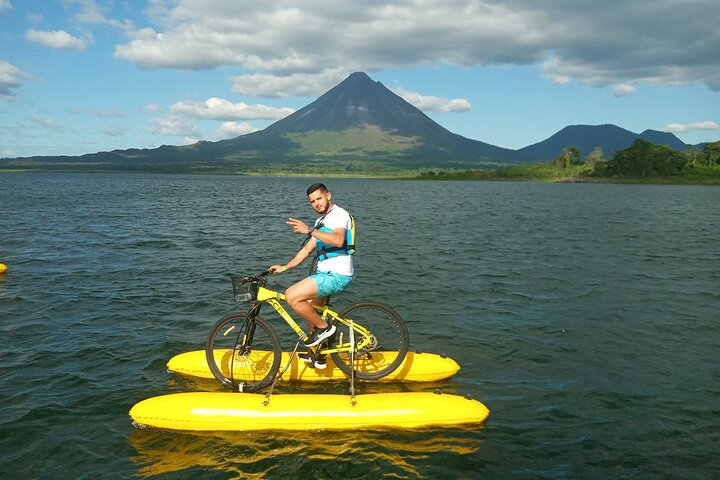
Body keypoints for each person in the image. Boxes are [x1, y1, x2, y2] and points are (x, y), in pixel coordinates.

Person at [269, 183, 355, 368]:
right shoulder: (321, 222)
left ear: (328, 196)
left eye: (319, 198)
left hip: (336, 275)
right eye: (312, 201)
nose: (316, 203)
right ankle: (318, 356)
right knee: (310, 310)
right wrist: (284, 267)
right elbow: (307, 250)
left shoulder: (339, 215)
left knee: (291, 295)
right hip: (325, 273)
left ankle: (326, 328)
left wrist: (309, 230)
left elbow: (339, 240)